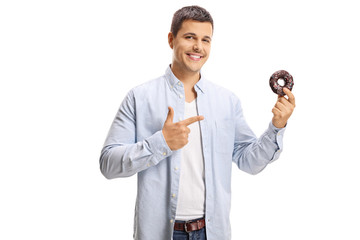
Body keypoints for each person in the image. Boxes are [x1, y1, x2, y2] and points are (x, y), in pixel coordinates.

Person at [99, 5, 295, 240]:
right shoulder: (139, 97)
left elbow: (249, 161)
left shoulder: (227, 101)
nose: (198, 47)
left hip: (212, 232)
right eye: (190, 37)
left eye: (205, 40)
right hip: (159, 233)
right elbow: (108, 164)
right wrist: (160, 143)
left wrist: (277, 126)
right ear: (171, 40)